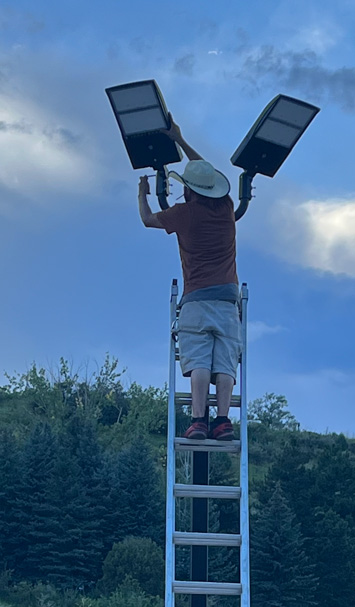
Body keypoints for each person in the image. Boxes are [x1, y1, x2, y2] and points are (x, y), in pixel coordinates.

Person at [138, 115, 240, 441]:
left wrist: (142, 193)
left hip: (196, 297)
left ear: (189, 190)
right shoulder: (225, 208)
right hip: (228, 298)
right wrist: (181, 140)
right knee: (224, 363)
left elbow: (147, 220)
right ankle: (223, 421)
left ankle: (199, 420)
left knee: (198, 359)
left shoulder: (185, 214)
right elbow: (206, 172)